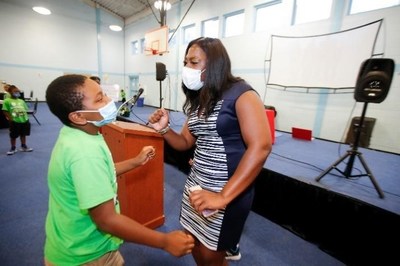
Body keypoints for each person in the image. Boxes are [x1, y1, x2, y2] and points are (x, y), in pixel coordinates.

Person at [44, 74, 194, 265]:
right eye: (99, 99)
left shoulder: (78, 135)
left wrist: (135, 162)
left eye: (104, 94)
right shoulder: (85, 153)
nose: (109, 101)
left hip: (84, 244)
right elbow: (106, 219)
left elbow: (99, 174)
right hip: (84, 255)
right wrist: (164, 241)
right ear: (78, 116)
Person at [148, 37, 272, 266]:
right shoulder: (200, 100)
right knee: (195, 246)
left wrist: (222, 197)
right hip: (196, 188)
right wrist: (164, 129)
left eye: (193, 62)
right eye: (186, 62)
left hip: (226, 193)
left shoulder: (242, 93)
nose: (187, 68)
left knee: (211, 257)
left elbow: (261, 146)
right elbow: (185, 142)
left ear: (215, 64)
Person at [2, 85, 33, 155]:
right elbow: (5, 110)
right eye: (15, 91)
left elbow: (25, 110)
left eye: (18, 91)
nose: (17, 92)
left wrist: (26, 118)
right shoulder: (7, 101)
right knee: (13, 135)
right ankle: (13, 148)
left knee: (23, 134)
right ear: (10, 92)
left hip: (24, 120)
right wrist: (11, 119)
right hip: (15, 121)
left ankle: (23, 146)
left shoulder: (21, 101)